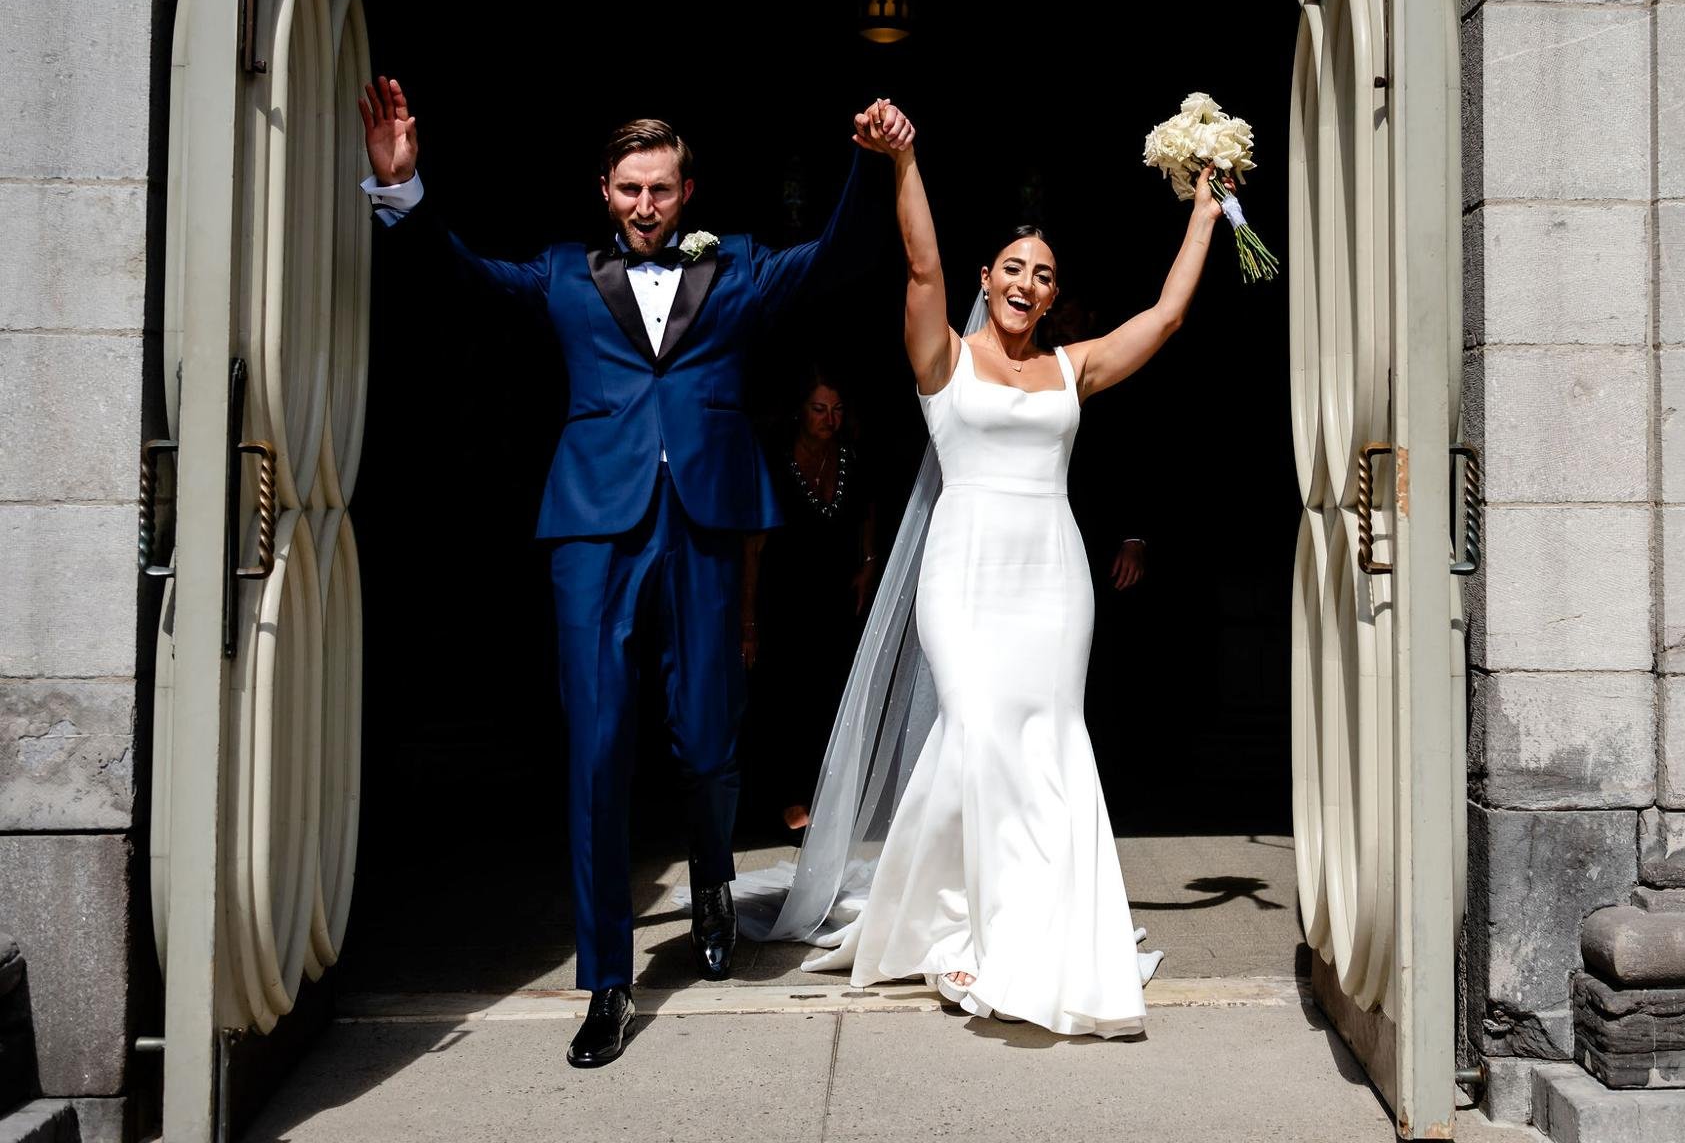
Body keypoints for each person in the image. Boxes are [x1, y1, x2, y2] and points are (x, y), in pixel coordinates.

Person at [358, 69, 910, 1060]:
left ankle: (709, 879)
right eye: (628, 190)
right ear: (604, 193)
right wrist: (403, 193)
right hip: (590, 528)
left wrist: (871, 167)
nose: (645, 205)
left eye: (660, 188)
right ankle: (606, 981)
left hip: (703, 521)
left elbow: (842, 255)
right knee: (598, 746)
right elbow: (460, 277)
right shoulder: (565, 274)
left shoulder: (736, 267)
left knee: (707, 739)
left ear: (686, 193)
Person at [838, 121, 1225, 1026]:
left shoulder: (1069, 370)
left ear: (1053, 298)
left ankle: (1036, 919)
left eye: (1043, 275)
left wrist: (1204, 214)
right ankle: (973, 929)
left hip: (1052, 582)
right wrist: (904, 160)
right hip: (964, 575)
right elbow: (923, 268)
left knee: (1047, 742)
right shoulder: (942, 362)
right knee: (975, 730)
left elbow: (1163, 318)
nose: (1027, 282)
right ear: (988, 280)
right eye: (1013, 267)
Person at [748, 367, 880, 838]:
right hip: (784, 596)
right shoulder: (776, 462)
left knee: (832, 691)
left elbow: (867, 510)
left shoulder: (850, 458)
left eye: (837, 410)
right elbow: (755, 544)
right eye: (820, 409)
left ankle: (830, 793)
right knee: (787, 695)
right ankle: (789, 797)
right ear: (801, 412)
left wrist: (868, 562)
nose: (830, 419)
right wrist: (747, 620)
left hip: (835, 594)